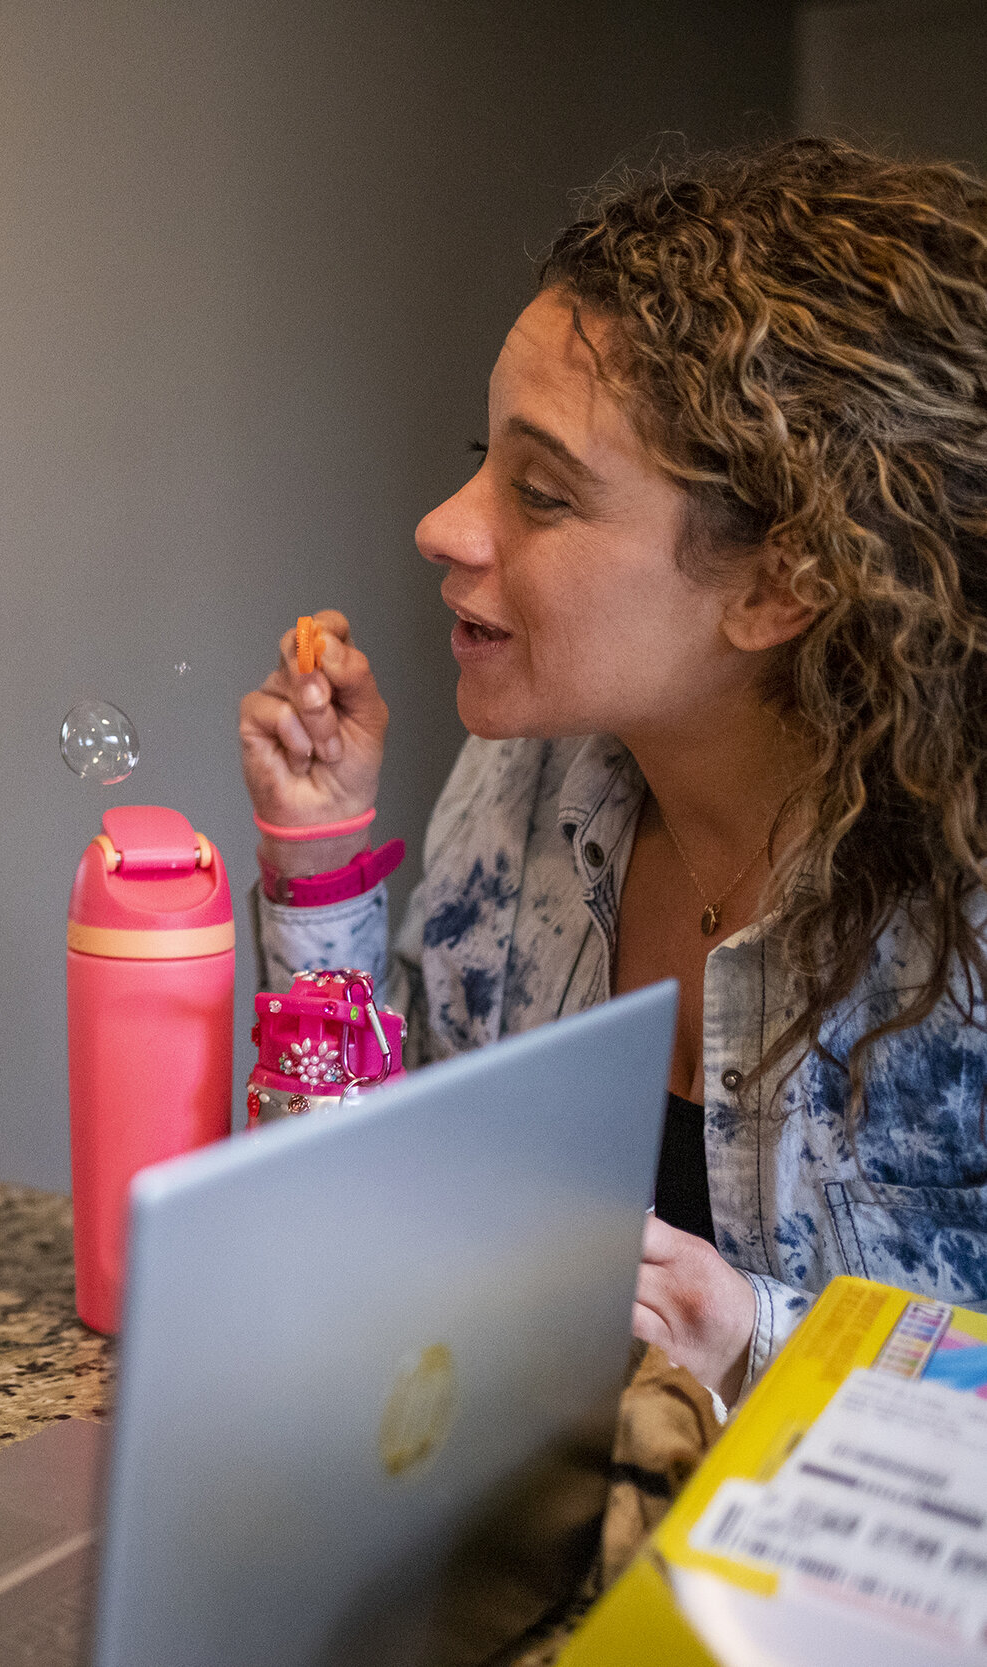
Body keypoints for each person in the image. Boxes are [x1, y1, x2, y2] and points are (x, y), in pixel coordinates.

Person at [241, 138, 987, 1410]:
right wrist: (318, 862)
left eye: (539, 491)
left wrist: (762, 1343)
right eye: (476, 457)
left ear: (778, 583)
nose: (442, 523)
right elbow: (376, 1191)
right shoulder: (517, 790)